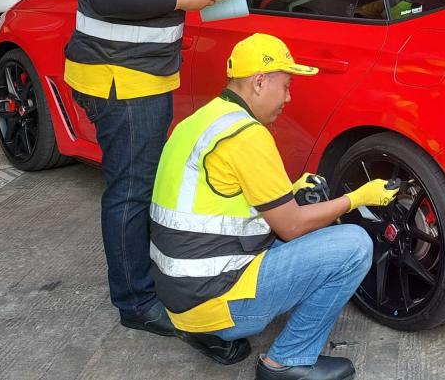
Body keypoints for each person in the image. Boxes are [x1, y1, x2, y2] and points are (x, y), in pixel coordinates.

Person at [64, 0, 227, 336]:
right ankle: (136, 303)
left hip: (137, 70)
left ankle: (141, 283)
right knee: (131, 193)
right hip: (121, 77)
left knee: (136, 186)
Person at [150, 33, 396, 380]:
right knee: (354, 245)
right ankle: (287, 361)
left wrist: (289, 193)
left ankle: (209, 332)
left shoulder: (199, 122)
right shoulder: (246, 134)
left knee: (304, 223)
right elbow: (291, 227)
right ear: (259, 82)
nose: (288, 98)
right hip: (212, 302)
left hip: (179, 298)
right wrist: (357, 198)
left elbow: (221, 203)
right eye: (286, 86)